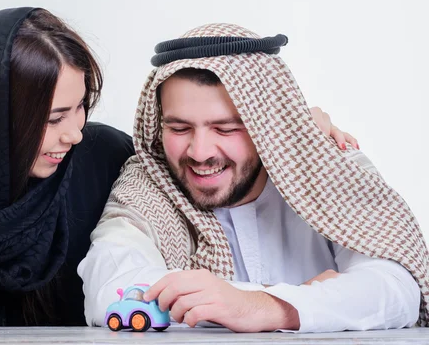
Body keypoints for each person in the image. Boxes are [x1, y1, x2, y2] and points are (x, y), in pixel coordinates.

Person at [0, 9, 352, 328]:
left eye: (82, 108)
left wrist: (283, 131)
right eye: (52, 119)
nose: (74, 133)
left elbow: (190, 174)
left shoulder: (103, 157)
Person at [79, 23, 427, 332]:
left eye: (226, 128)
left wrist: (265, 308)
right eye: (180, 128)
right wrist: (301, 298)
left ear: (267, 124)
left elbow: (395, 289)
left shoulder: (328, 163)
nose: (200, 152)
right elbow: (112, 289)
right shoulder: (148, 182)